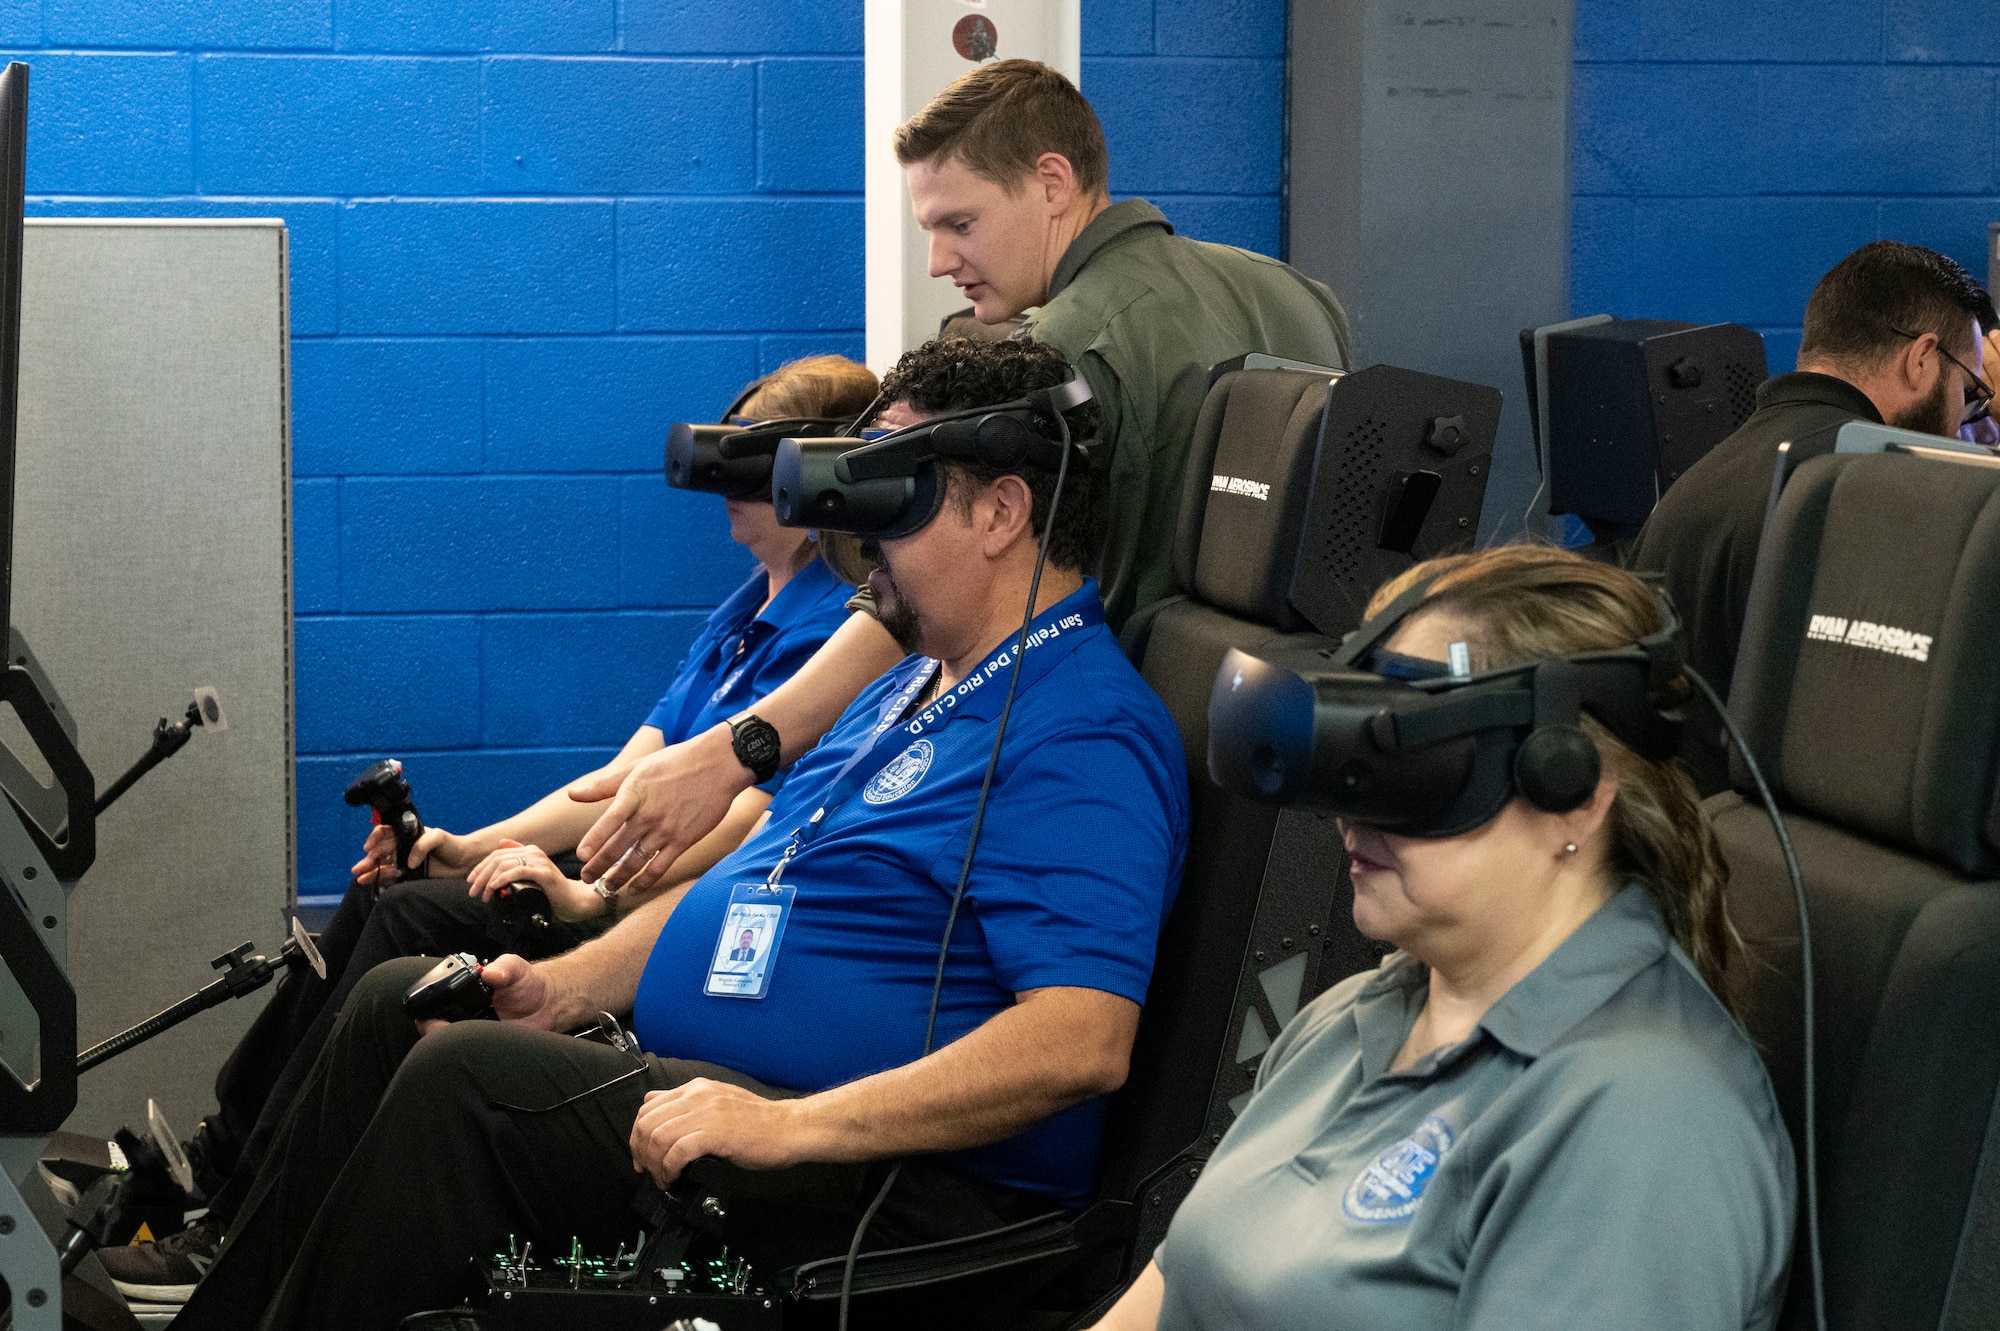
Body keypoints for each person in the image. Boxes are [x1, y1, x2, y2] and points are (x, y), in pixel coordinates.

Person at [166, 337, 1190, 1330]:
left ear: (1004, 512)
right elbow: (747, 874)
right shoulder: (906, 688)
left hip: (885, 1168)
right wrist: (566, 989)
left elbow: (1078, 1041)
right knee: (410, 999)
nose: (866, 541)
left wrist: (791, 1125)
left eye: (896, 501)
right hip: (745, 1100)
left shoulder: (1080, 727)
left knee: (467, 1083)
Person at [99, 354, 877, 1306]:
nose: (721, 493)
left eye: (745, 470)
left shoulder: (832, 633)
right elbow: (624, 774)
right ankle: (226, 1178)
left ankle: (234, 1221)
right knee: (393, 892)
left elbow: (754, 815)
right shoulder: (746, 609)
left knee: (410, 933)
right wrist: (476, 841)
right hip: (617, 896)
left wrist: (595, 893)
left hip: (639, 913)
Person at [565, 58, 1352, 903]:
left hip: (1084, 781)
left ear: (1053, 183)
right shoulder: (1300, 297)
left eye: (960, 224)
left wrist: (736, 749)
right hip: (1282, 769)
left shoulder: (1057, 353)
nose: (940, 260)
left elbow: (926, 586)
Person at [1091, 545, 1795, 1331]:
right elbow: (1173, 1285)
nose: (1349, 815)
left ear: (1574, 794)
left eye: (1409, 767)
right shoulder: (1353, 1016)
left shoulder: (1644, 1119)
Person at [1633, 240, 1992, 793]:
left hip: (1698, 837)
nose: (1962, 424)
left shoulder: (1698, 480)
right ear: (1920, 359)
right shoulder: (1883, 490)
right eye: (1969, 393)